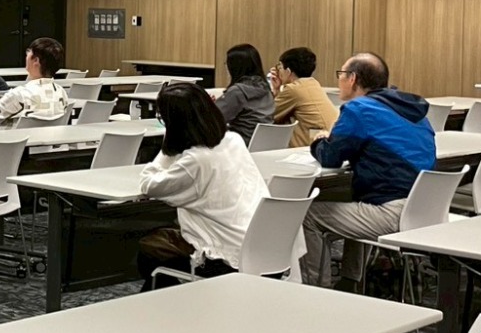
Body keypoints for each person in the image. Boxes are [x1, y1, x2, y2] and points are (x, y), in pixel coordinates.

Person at [301, 53, 434, 291]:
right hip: (426, 210)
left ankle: (316, 291)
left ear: (352, 78)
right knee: (358, 198)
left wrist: (319, 141)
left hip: (392, 212)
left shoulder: (359, 110)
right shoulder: (414, 111)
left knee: (305, 214)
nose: (339, 80)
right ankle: (351, 282)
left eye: (341, 75)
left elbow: (331, 156)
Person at [135, 83, 269, 292]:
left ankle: (168, 302)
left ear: (174, 124)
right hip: (261, 247)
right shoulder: (233, 140)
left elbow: (148, 184)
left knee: (148, 252)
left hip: (226, 257)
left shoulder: (196, 161)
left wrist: (169, 145)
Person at [0, 36, 69, 125]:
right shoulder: (62, 93)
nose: (26, 54)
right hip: (51, 134)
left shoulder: (20, 94)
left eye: (29, 51)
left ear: (36, 60)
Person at [270, 46, 339, 148]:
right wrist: (277, 90)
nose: (277, 71)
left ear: (288, 71)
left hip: (314, 143)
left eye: (279, 67)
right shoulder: (313, 83)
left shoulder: (293, 89)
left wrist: (275, 91)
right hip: (328, 137)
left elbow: (270, 115)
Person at [215, 43, 273, 144]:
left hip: (239, 146)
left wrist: (207, 105)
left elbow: (212, 119)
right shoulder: (266, 88)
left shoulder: (238, 92)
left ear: (234, 67)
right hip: (263, 145)